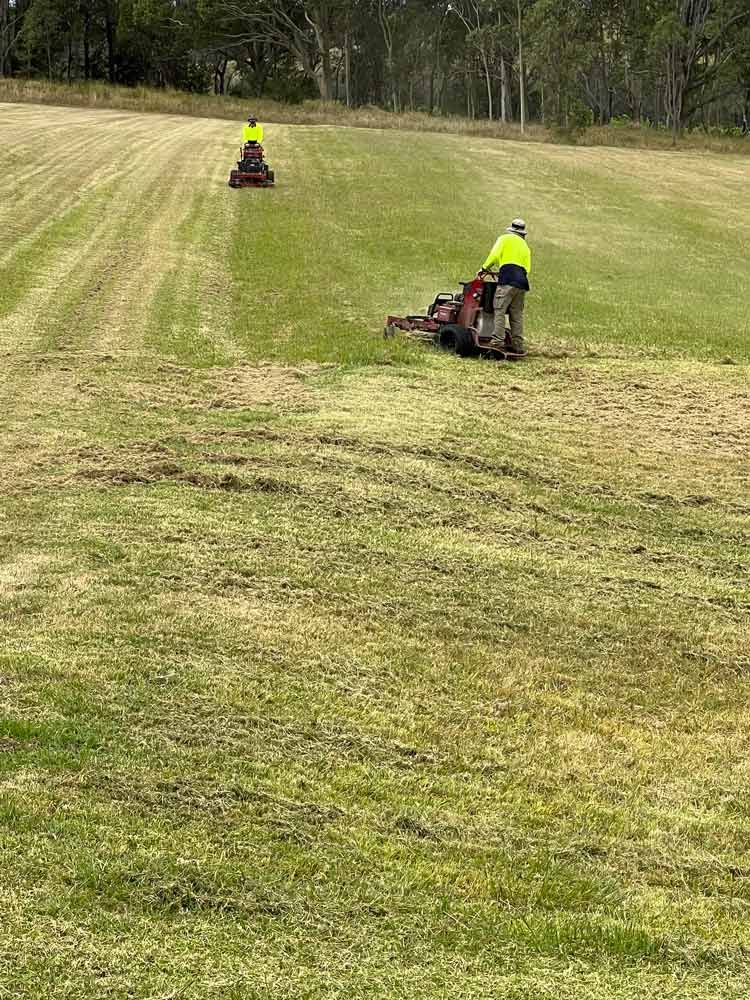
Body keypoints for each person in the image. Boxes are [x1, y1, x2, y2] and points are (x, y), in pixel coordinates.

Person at [481, 217, 531, 356]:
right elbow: (527, 268)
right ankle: (518, 345)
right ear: (522, 233)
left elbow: (494, 255)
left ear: (511, 230)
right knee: (516, 315)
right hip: (522, 282)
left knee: (499, 309)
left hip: (507, 280)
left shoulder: (504, 239)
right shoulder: (525, 246)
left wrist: (484, 268)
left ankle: (497, 342)